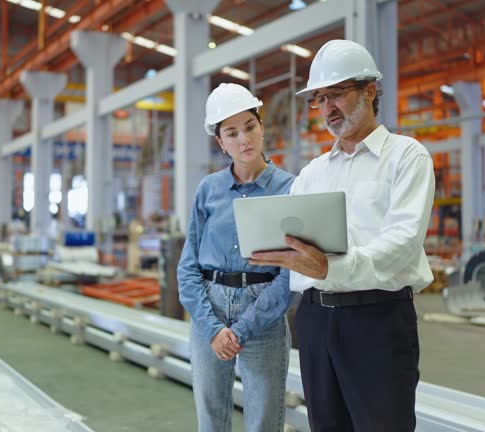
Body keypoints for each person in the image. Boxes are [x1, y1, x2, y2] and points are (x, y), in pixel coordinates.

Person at [249, 39, 435, 431]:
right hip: (315, 321)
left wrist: (332, 266)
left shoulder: (407, 157)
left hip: (378, 319)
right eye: (319, 99)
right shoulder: (313, 173)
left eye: (337, 94)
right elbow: (290, 239)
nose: (328, 108)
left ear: (370, 91)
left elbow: (402, 242)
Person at [177, 83, 296, 432]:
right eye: (232, 133)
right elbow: (188, 267)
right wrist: (213, 329)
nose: (244, 139)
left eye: (250, 127)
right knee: (211, 419)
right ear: (220, 141)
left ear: (261, 127)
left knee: (262, 421)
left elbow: (292, 272)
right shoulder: (208, 190)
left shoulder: (290, 188)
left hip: (265, 311)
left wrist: (243, 328)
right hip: (209, 311)